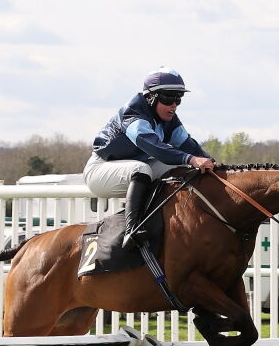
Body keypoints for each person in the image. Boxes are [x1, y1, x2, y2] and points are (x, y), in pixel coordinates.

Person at [83, 67, 215, 251]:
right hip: (100, 170)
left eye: (178, 98)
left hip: (133, 166)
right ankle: (133, 229)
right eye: (168, 97)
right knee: (143, 169)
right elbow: (156, 148)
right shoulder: (133, 113)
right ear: (150, 97)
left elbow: (188, 146)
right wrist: (191, 159)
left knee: (182, 167)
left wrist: (212, 163)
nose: (174, 104)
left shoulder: (169, 119)